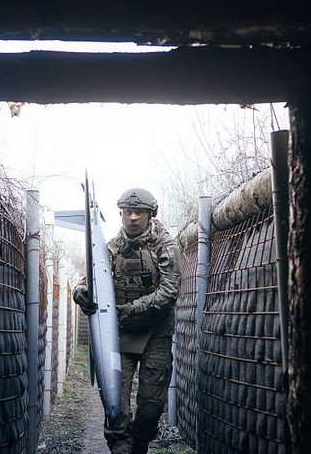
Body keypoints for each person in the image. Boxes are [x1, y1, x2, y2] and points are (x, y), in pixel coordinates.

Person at [73, 188, 182, 454]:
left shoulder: (165, 246)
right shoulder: (111, 247)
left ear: (150, 214)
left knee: (150, 410)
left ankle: (140, 447)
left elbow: (169, 291)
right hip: (120, 334)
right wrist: (80, 292)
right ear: (121, 213)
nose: (132, 217)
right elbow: (91, 276)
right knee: (115, 404)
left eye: (139, 212)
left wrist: (131, 308)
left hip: (156, 332)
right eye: (127, 212)